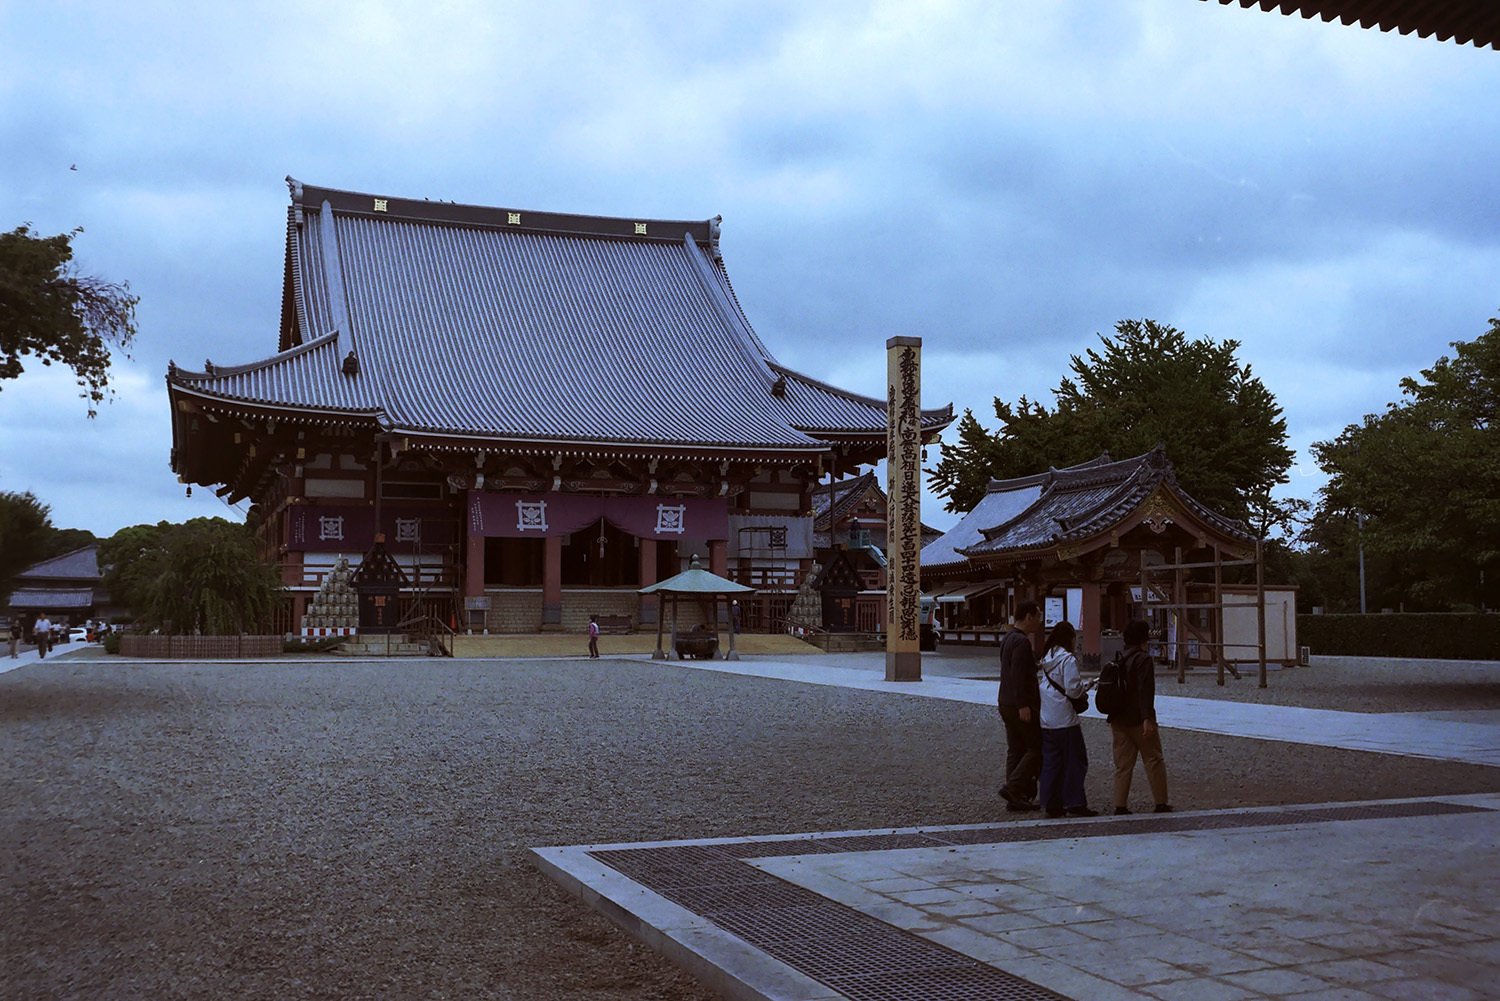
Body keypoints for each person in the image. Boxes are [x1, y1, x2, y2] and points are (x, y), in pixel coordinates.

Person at [1108, 619, 1172, 815]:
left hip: (1118, 718)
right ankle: (1160, 802)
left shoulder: (1120, 659)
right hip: (1138, 717)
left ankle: (1120, 804)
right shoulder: (1143, 660)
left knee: (1123, 764)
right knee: (1153, 759)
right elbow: (1145, 690)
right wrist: (1148, 718)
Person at [1038, 621, 1097, 818]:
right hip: (1065, 718)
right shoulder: (1067, 659)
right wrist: (1084, 689)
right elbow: (1072, 688)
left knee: (1052, 762)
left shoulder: (1047, 657)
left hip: (1047, 717)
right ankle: (1075, 801)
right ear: (1069, 639)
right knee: (1076, 761)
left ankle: (1051, 802)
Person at [997, 600, 1043, 812]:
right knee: (1035, 748)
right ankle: (1013, 787)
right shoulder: (1022, 642)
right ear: (1029, 616)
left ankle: (1015, 797)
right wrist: (1023, 704)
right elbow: (1017, 674)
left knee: (1015, 749)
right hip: (1018, 704)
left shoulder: (1008, 638)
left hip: (1005, 701)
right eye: (1038, 616)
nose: (1039, 621)